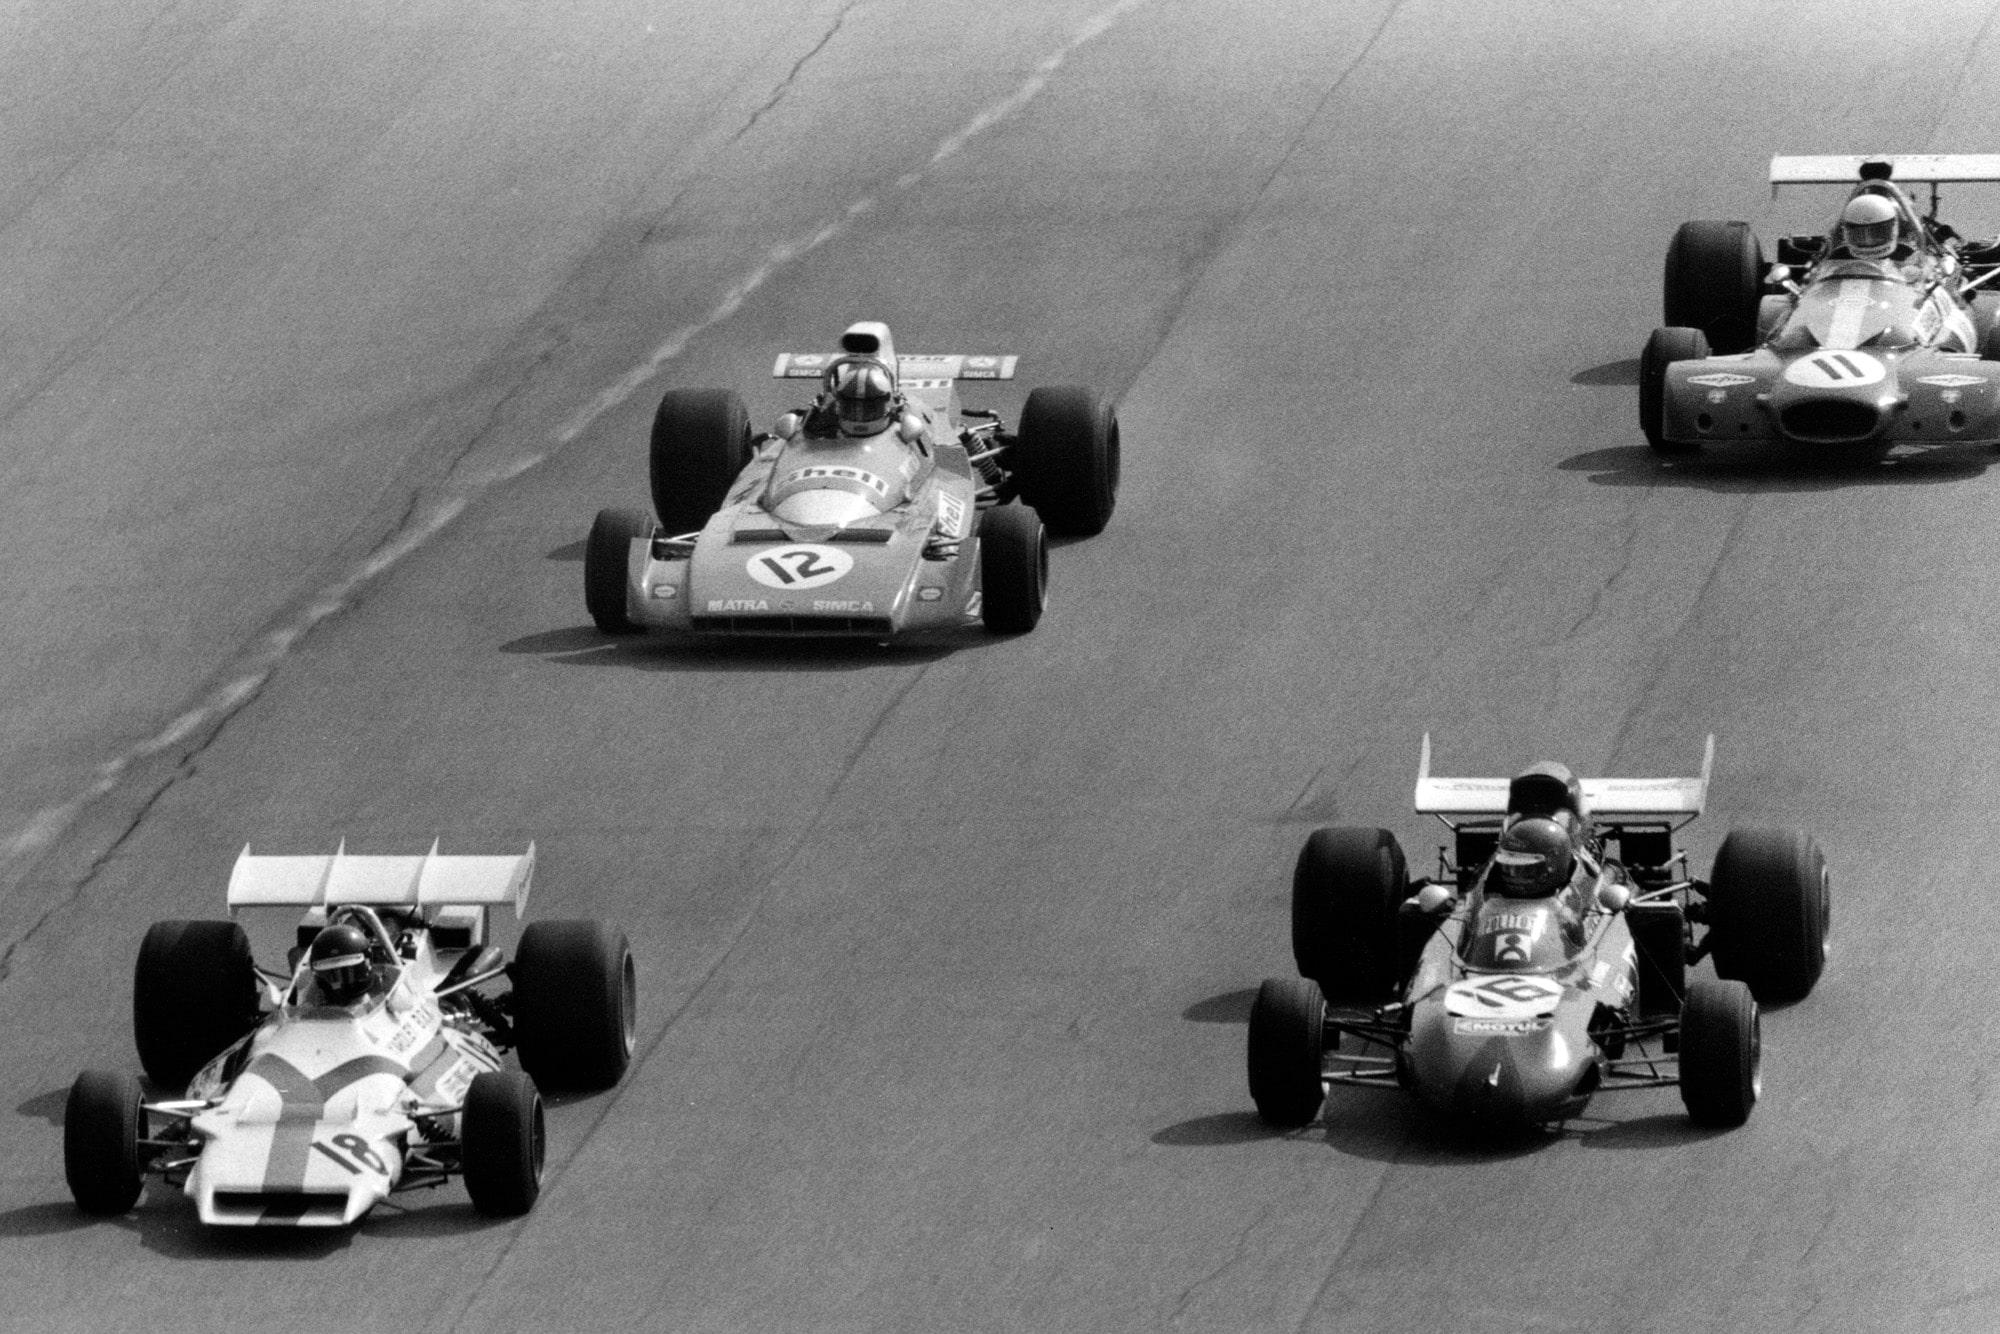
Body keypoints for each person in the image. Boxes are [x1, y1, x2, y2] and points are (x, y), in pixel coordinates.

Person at [302, 921, 389, 1008]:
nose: (338, 983)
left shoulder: (382, 997)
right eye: (329, 974)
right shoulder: (313, 993)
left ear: (366, 966)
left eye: (346, 972)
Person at [1833, 192, 1908, 262]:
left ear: (1893, 228)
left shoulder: (1907, 255)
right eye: (1859, 235)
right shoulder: (1837, 256)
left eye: (1877, 233)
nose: (1868, 241)